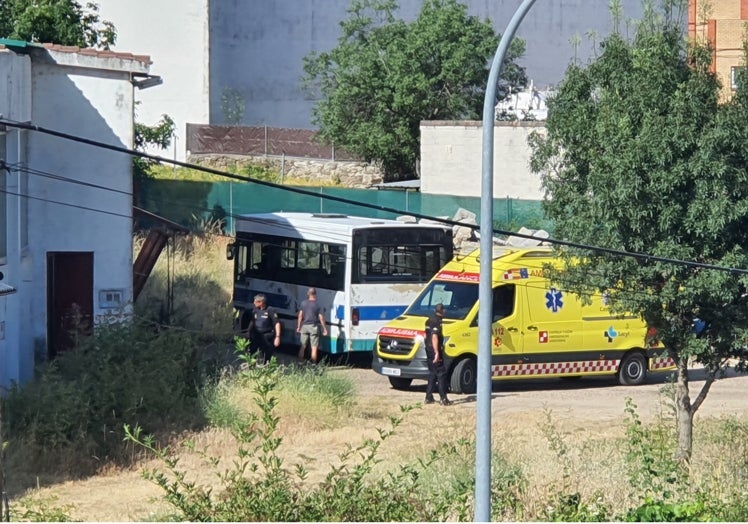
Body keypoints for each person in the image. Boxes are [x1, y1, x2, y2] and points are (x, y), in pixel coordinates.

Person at [424, 303, 453, 406]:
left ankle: (428, 397)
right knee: (441, 373)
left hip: (428, 349)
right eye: (444, 310)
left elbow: (425, 335)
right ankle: (443, 398)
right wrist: (437, 353)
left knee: (432, 373)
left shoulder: (429, 320)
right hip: (434, 350)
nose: (446, 312)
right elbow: (434, 337)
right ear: (442, 311)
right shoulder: (437, 321)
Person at [248, 293, 282, 364]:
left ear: (261, 302)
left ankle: (266, 367)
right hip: (256, 335)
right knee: (252, 352)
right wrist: (248, 332)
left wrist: (278, 337)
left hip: (267, 335)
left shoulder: (270, 310)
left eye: (255, 301)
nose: (254, 303)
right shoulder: (255, 310)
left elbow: (277, 323)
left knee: (266, 354)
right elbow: (252, 321)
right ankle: (252, 367)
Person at [297, 287, 328, 364]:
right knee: (314, 348)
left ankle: (300, 362)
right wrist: (325, 328)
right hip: (314, 327)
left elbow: (300, 316)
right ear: (315, 294)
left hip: (304, 326)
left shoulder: (303, 303)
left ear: (308, 294)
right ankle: (313, 365)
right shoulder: (318, 305)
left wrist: (298, 326)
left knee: (303, 346)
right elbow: (321, 318)